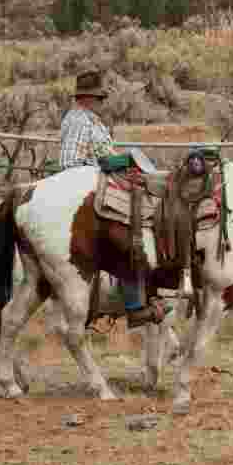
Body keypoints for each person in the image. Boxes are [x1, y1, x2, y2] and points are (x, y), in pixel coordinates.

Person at [59, 69, 167, 329]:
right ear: (88, 98)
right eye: (98, 98)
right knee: (127, 231)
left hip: (99, 177)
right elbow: (73, 162)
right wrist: (117, 161)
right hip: (88, 182)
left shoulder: (88, 120)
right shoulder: (80, 120)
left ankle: (136, 293)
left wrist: (120, 162)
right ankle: (133, 297)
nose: (101, 103)